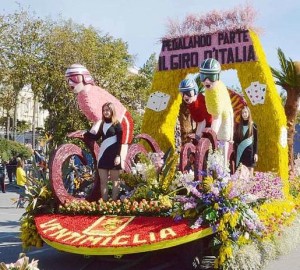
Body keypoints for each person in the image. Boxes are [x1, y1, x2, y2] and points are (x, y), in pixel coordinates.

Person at [84, 102, 123, 201]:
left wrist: (118, 156)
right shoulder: (102, 124)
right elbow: (96, 137)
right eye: (104, 110)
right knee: (103, 181)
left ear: (112, 111)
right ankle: (105, 204)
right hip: (103, 156)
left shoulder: (117, 124)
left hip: (114, 156)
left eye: (107, 110)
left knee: (115, 181)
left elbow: (120, 142)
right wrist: (85, 133)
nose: (105, 112)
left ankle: (114, 204)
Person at [199, 58, 234, 167]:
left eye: (211, 77)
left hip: (225, 118)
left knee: (222, 144)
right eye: (203, 77)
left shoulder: (217, 90)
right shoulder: (209, 91)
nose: (207, 81)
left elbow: (217, 116)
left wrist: (211, 134)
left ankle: (222, 173)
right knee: (215, 147)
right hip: (219, 117)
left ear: (217, 77)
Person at [178, 75, 212, 140]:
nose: (185, 96)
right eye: (182, 94)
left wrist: (197, 137)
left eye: (188, 93)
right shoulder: (194, 103)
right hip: (208, 127)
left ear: (195, 91)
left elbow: (202, 122)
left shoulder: (196, 103)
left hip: (214, 127)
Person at [234, 106, 258, 177]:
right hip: (240, 154)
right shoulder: (238, 126)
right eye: (243, 112)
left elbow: (256, 141)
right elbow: (235, 140)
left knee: (250, 176)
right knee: (240, 176)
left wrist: (255, 153)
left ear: (249, 113)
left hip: (250, 153)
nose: (244, 114)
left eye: (246, 112)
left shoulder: (253, 125)